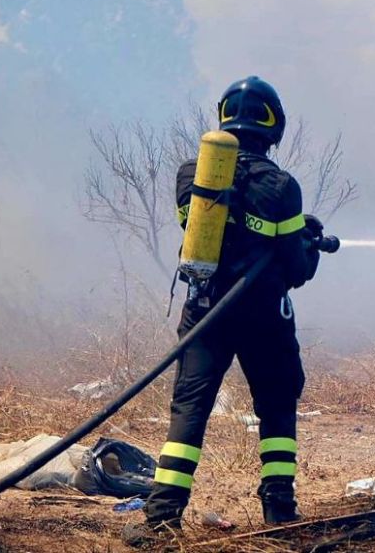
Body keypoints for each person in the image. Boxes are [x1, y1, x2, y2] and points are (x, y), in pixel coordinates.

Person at [124, 76, 322, 546]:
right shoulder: (281, 187)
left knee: (189, 411)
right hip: (265, 319)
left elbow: (203, 236)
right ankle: (279, 508)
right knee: (275, 406)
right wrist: (307, 242)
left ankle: (162, 518)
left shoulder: (191, 175)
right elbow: (295, 269)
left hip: (204, 315)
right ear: (273, 126)